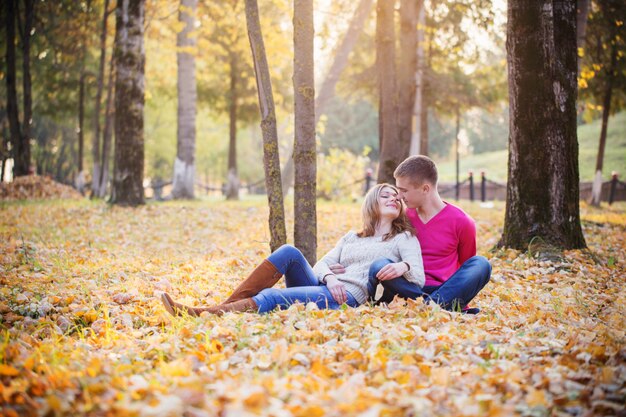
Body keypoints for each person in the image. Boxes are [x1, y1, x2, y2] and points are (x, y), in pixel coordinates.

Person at [161, 184, 425, 316]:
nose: (394, 199)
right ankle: (223, 307)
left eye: (397, 198)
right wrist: (330, 276)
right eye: (386, 195)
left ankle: (205, 314)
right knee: (288, 251)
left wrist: (402, 266)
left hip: (348, 296)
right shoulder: (352, 236)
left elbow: (418, 278)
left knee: (272, 296)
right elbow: (321, 264)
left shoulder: (403, 238)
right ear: (371, 203)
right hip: (328, 286)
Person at [331, 156, 491, 313]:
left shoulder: (462, 221)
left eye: (403, 191)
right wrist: (345, 265)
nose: (398, 196)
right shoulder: (401, 217)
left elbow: (465, 267)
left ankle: (429, 307)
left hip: (444, 288)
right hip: (404, 286)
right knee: (380, 265)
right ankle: (437, 308)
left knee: (481, 264)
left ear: (425, 189)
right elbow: (375, 243)